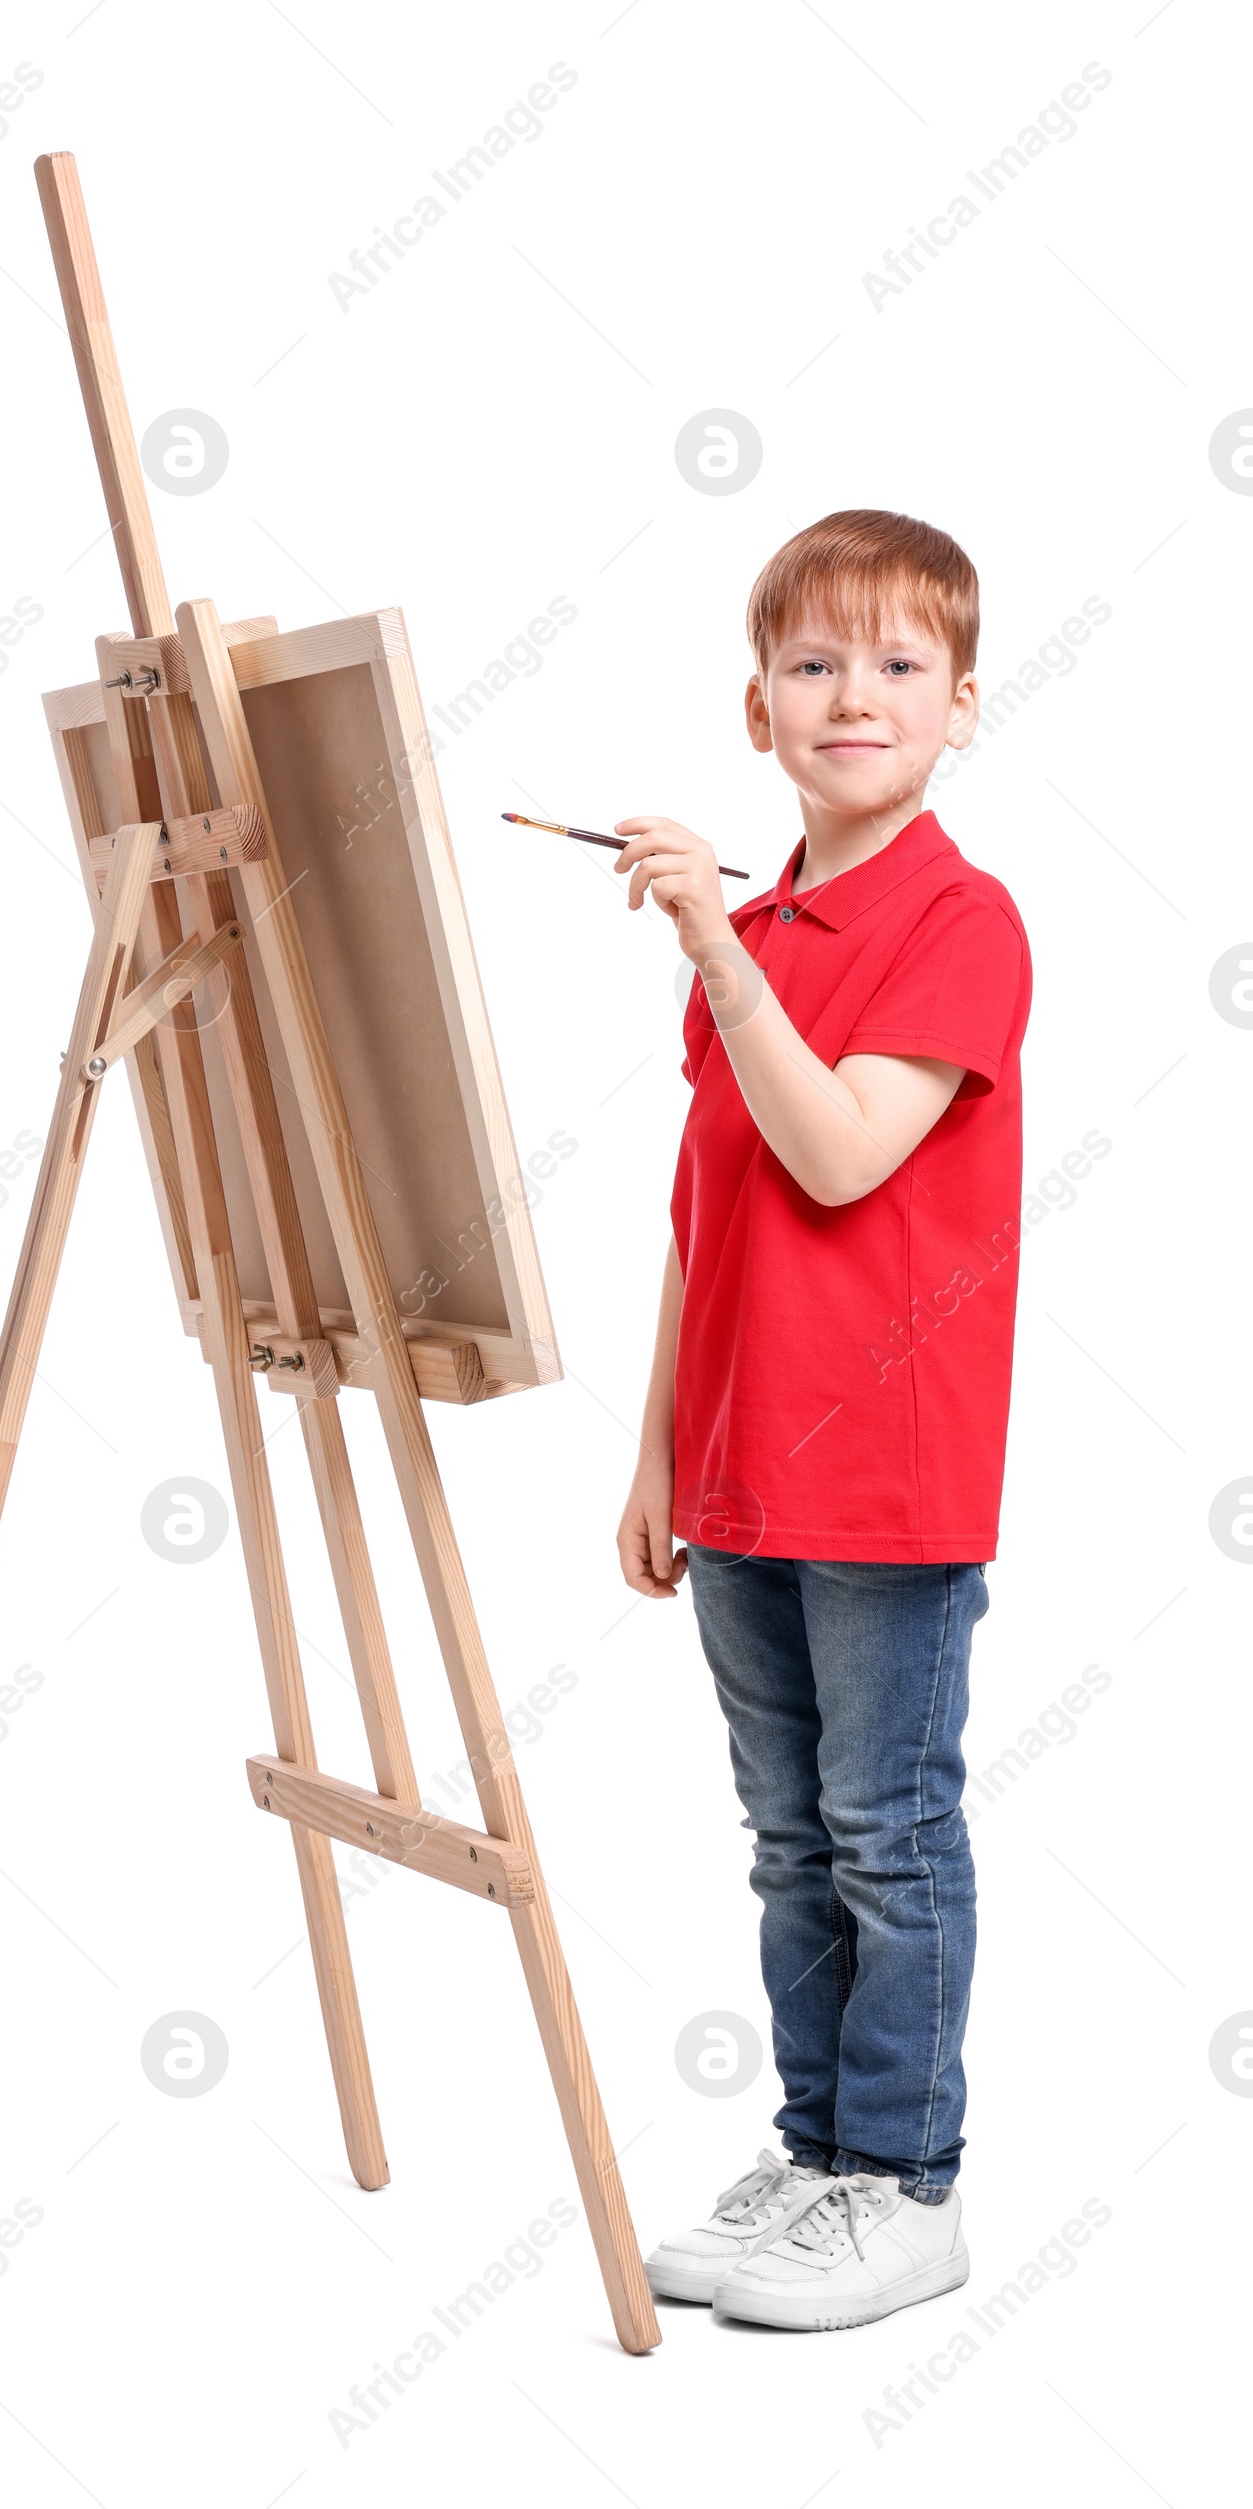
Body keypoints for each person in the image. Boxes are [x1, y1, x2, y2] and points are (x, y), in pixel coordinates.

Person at [614, 509, 1032, 2332]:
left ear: (958, 708)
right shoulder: (762, 922)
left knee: (886, 1829)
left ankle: (906, 2179)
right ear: (757, 711)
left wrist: (720, 943)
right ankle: (817, 2154)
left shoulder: (962, 919)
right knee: (788, 1837)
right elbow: (708, 1219)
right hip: (739, 1474)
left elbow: (845, 1151)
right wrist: (655, 1455)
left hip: (884, 1475)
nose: (852, 694)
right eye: (812, 664)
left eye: (897, 665)